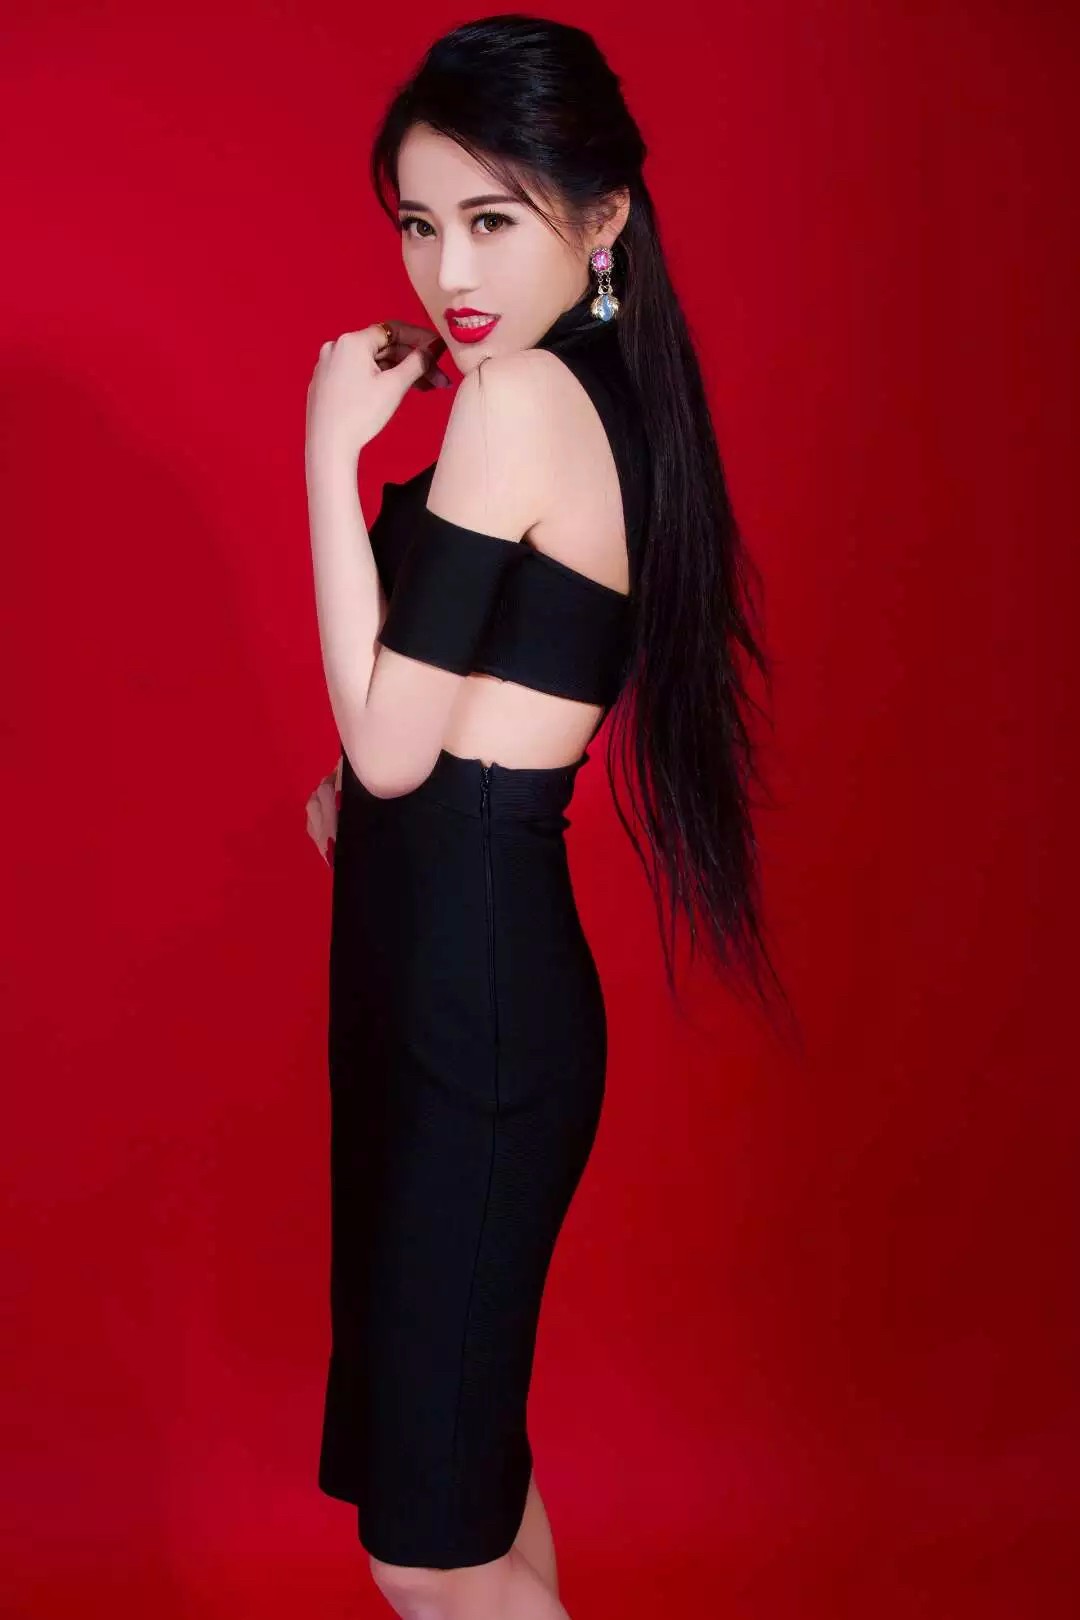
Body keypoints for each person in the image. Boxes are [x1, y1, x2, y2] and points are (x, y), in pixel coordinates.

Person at [303, 16, 796, 1617]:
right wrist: (369, 810)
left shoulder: (519, 396)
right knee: (481, 1493)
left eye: (492, 219)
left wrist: (325, 454)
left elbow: (392, 748)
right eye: (419, 222)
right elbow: (441, 737)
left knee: (427, 1548)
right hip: (450, 974)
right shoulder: (584, 392)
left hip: (476, 1005)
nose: (448, 269)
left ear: (603, 218)